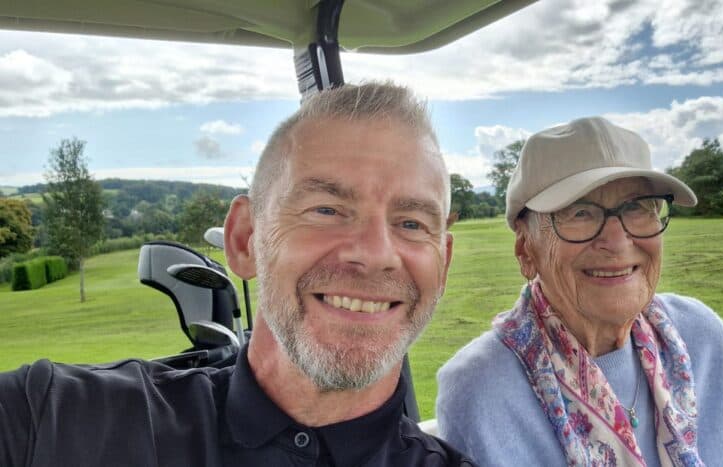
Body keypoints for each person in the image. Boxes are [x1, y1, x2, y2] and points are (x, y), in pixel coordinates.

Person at [0, 82, 475, 467]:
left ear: (443, 265)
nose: (375, 255)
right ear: (245, 239)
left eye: (412, 223)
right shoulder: (52, 421)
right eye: (327, 209)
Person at [436, 117, 723, 467]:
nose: (617, 241)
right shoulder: (481, 390)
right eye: (580, 212)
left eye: (637, 207)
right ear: (526, 250)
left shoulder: (701, 337)